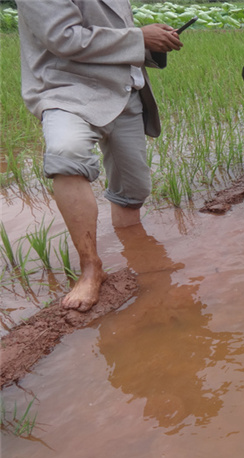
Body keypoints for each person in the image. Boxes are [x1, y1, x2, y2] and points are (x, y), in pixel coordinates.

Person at [16, 0, 184, 312]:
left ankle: (137, 254)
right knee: (67, 152)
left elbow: (115, 30)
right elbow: (63, 36)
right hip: (66, 89)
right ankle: (90, 267)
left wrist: (155, 41)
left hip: (123, 89)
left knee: (134, 189)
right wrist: (139, 38)